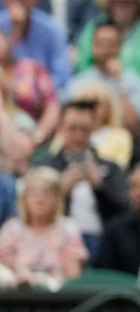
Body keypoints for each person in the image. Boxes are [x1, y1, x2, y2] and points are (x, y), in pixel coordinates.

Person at [34, 100, 129, 254]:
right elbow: (31, 211)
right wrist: (60, 190)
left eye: (85, 129)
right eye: (73, 128)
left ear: (93, 130)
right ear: (60, 128)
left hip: (103, 242)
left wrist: (99, 187)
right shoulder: (45, 167)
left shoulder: (111, 168)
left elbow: (124, 213)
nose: (78, 135)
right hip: (54, 243)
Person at [0, 167, 86, 291]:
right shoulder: (11, 228)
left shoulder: (68, 229)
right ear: (24, 197)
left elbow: (73, 277)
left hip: (56, 296)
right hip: (16, 295)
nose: (39, 198)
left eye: (46, 192)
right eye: (33, 192)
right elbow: (4, 269)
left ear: (57, 198)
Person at [67, 22, 140, 135]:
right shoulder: (79, 83)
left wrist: (119, 82)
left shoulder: (133, 81)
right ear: (93, 48)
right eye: (101, 44)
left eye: (111, 44)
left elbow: (132, 126)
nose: (106, 49)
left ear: (119, 48)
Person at [0, 0, 71, 90]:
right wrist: (15, 32)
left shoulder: (52, 29)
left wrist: (34, 89)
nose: (17, 2)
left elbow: (62, 76)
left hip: (42, 94)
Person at [0, 29, 58, 146]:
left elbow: (52, 106)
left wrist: (37, 137)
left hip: (33, 134)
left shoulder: (30, 68)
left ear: (6, 40)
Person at [65, 82, 133, 168]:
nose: (90, 109)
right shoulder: (66, 133)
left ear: (107, 106)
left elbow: (119, 167)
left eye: (95, 103)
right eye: (83, 104)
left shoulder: (121, 136)